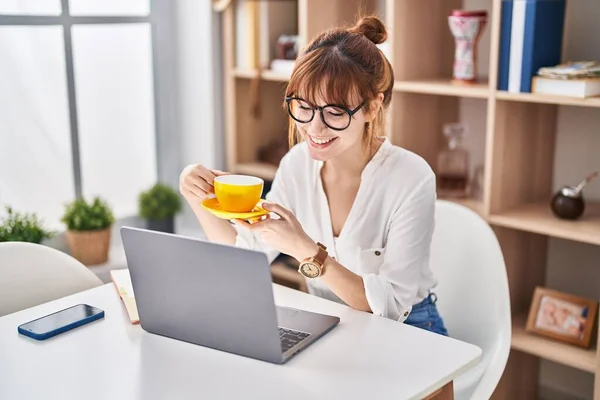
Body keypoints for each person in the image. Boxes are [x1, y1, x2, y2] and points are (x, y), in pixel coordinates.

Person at [179, 15, 448, 336]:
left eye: (335, 112)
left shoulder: (411, 178)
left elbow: (390, 306)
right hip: (331, 323)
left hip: (411, 331)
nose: (314, 128)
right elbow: (244, 256)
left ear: (372, 108)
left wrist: (308, 250)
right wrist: (199, 199)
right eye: (303, 107)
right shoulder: (297, 164)